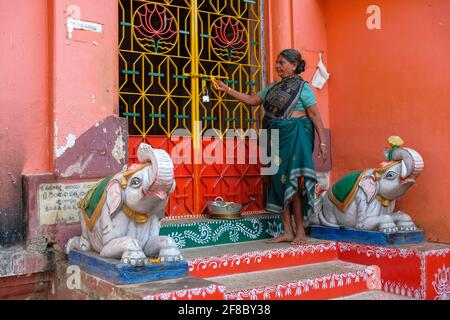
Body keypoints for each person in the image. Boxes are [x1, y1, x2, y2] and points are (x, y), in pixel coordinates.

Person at [215, 48, 328, 245]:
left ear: (294, 65)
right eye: (277, 62)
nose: (277, 66)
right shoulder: (273, 88)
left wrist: (323, 142)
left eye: (282, 62)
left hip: (296, 137)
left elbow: (315, 115)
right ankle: (287, 231)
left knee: (294, 185)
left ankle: (300, 231)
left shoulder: (303, 88)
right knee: (278, 183)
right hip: (276, 138)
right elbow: (252, 101)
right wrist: (227, 90)